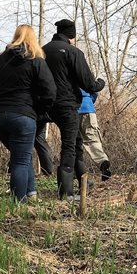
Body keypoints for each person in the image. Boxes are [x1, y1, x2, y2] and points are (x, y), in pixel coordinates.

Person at [0, 24, 56, 202]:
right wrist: (38, 111)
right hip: (23, 116)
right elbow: (50, 91)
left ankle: (31, 193)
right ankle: (19, 203)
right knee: (21, 160)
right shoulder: (36, 61)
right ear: (33, 40)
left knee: (21, 155)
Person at [42, 19, 104, 199]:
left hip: (47, 105)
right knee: (70, 144)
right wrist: (100, 83)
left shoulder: (43, 51)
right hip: (67, 104)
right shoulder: (73, 52)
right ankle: (66, 192)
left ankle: (85, 181)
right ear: (72, 36)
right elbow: (88, 83)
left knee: (76, 141)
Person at [78, 88, 111, 181]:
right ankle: (102, 161)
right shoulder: (85, 74)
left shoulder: (64, 74)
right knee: (92, 139)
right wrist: (89, 100)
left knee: (73, 144)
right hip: (88, 108)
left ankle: (76, 171)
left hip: (71, 109)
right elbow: (94, 88)